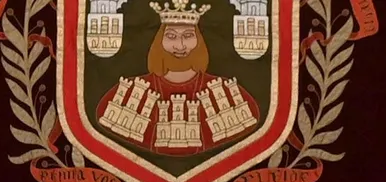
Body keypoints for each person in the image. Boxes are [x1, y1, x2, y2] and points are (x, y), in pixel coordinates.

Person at [94, 0, 262, 155]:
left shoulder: (224, 89)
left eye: (188, 36)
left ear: (199, 40)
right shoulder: (132, 89)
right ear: (159, 40)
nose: (180, 46)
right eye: (171, 36)